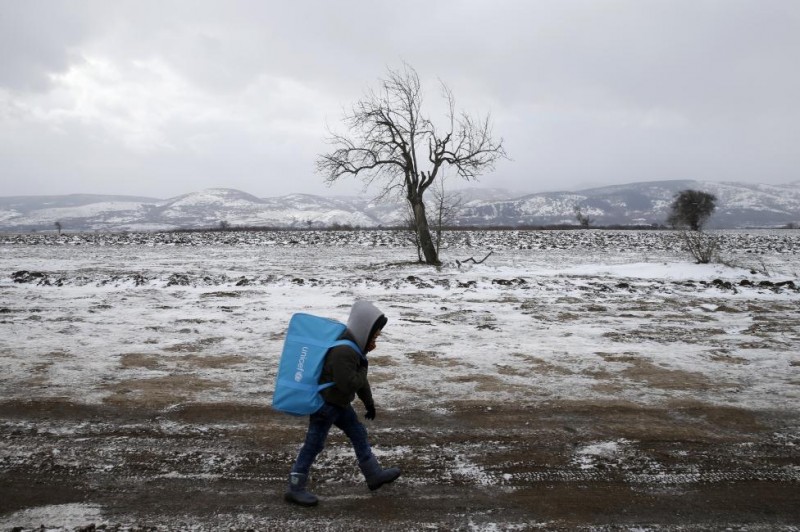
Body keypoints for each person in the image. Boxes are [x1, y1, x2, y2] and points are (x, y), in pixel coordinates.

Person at [284, 300, 401, 506]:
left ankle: (373, 475)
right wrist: (364, 366)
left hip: (339, 404)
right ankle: (295, 487)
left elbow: (359, 383)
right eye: (374, 335)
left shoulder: (354, 350)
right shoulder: (344, 352)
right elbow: (349, 384)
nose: (376, 341)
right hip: (325, 406)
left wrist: (369, 403)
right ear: (364, 331)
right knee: (314, 445)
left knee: (358, 433)